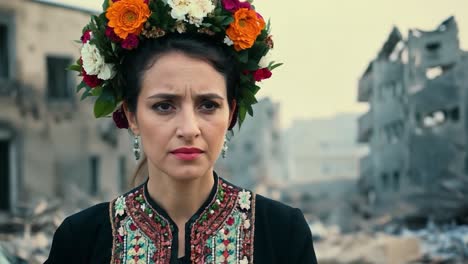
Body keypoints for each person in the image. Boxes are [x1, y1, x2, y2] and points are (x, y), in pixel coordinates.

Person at [46, 0, 317, 263]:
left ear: (231, 113)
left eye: (208, 105)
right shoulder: (80, 240)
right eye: (164, 106)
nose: (189, 129)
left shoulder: (282, 233)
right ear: (131, 115)